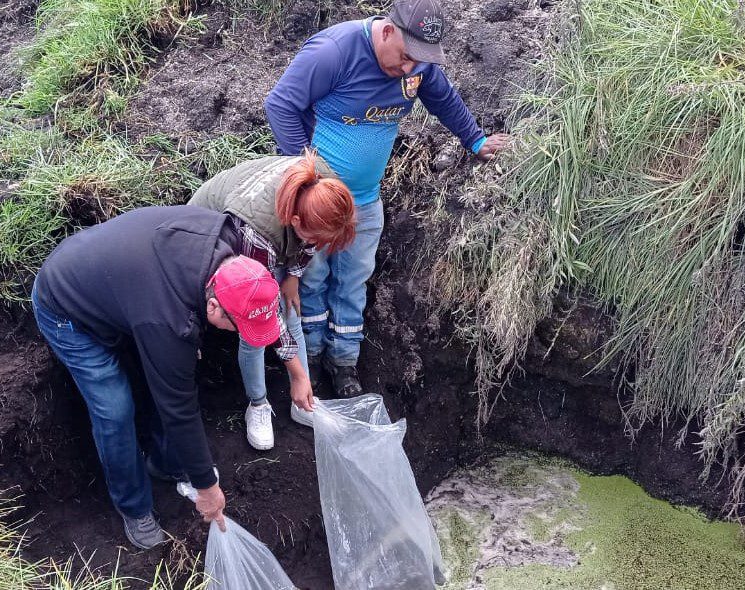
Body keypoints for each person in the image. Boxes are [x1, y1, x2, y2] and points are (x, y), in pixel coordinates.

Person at [31, 206, 315, 550]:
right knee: (115, 408)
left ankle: (166, 464)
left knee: (166, 374)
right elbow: (177, 406)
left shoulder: (231, 252)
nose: (238, 333)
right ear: (213, 308)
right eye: (238, 326)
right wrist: (208, 489)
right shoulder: (168, 322)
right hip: (68, 307)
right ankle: (134, 507)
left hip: (124, 285)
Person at [265, 0, 510, 397]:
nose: (411, 69)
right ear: (388, 30)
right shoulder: (335, 52)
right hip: (316, 205)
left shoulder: (418, 64)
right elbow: (280, 105)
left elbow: (443, 99)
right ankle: (306, 359)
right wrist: (305, 180)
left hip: (364, 200)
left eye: (420, 61)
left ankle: (343, 361)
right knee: (309, 278)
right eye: (406, 57)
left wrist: (475, 140)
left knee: (353, 281)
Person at [188, 151, 355, 447]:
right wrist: (299, 374)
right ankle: (258, 404)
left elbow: (309, 241)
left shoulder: (324, 188)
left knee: (292, 311)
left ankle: (302, 401)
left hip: (267, 229)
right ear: (294, 220)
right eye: (316, 238)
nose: (319, 245)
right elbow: (265, 315)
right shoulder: (257, 233)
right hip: (208, 234)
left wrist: (292, 276)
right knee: (254, 332)